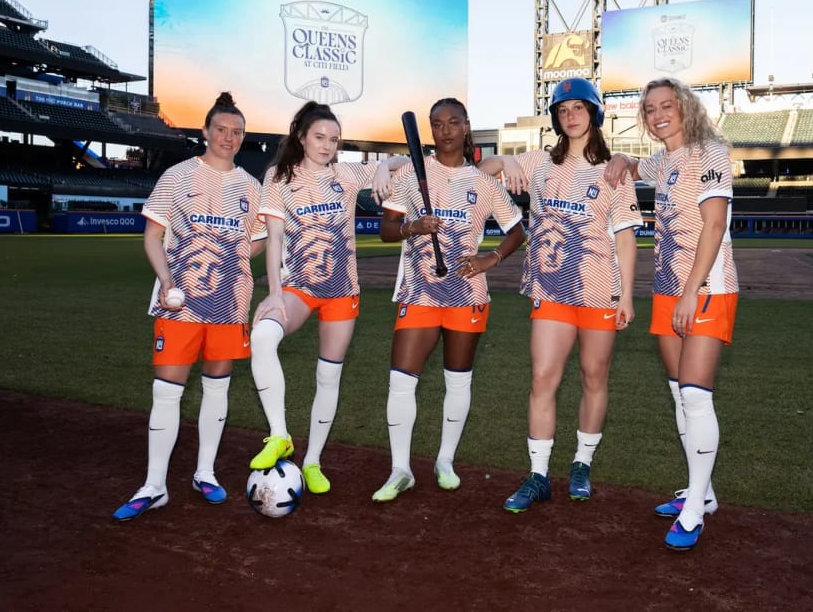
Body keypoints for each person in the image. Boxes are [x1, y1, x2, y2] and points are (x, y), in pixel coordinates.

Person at [479, 77, 641, 513]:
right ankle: (538, 475)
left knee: (594, 376)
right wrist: (505, 160)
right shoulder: (539, 162)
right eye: (563, 110)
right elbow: (482, 170)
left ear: (594, 113)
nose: (570, 116)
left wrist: (627, 296)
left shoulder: (613, 172)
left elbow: (625, 239)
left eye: (578, 108)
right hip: (551, 290)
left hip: (599, 291)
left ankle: (581, 465)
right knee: (542, 377)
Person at [112, 92, 266, 521]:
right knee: (167, 391)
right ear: (205, 131)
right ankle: (154, 486)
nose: (228, 138)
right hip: (179, 303)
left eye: (236, 132)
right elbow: (152, 237)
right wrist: (166, 281)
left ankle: (205, 473)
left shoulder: (251, 187)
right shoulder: (178, 176)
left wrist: (239, 251)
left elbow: (256, 242)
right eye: (221, 129)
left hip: (229, 302)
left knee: (217, 387)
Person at [604, 77, 738, 551]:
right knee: (680, 394)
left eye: (667, 105)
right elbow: (634, 165)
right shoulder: (662, 161)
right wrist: (621, 158)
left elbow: (714, 225)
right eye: (650, 109)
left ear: (685, 107)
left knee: (696, 396)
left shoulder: (710, 152)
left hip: (706, 289)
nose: (658, 115)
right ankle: (704, 492)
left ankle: (694, 508)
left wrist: (691, 291)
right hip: (666, 290)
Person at [248, 101, 408, 493]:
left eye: (334, 139)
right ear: (301, 137)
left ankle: (313, 461)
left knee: (329, 376)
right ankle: (280, 435)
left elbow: (403, 163)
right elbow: (274, 239)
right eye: (319, 137)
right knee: (262, 336)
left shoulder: (346, 174)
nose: (327, 145)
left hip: (342, 291)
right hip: (299, 287)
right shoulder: (279, 178)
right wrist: (274, 294)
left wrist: (384, 167)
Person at [371, 97, 526, 502]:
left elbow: (517, 231)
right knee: (401, 380)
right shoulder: (411, 175)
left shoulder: (484, 183)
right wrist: (414, 227)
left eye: (453, 122)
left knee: (457, 380)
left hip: (466, 293)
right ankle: (400, 469)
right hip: (420, 292)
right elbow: (387, 230)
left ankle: (445, 460)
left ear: (466, 126)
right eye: (437, 124)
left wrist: (490, 258)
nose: (445, 131)